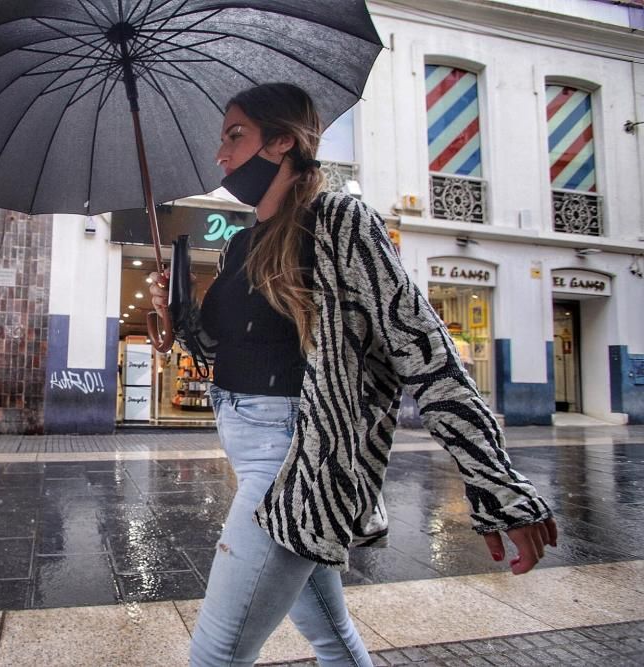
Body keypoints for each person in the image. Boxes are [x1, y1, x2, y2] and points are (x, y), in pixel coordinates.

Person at [149, 83, 557, 667]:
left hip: (296, 461)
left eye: (234, 136)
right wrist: (178, 317)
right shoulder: (239, 245)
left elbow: (426, 351)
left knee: (215, 654)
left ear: (283, 141)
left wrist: (498, 487)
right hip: (244, 446)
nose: (222, 155)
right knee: (332, 637)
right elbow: (218, 349)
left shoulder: (340, 222)